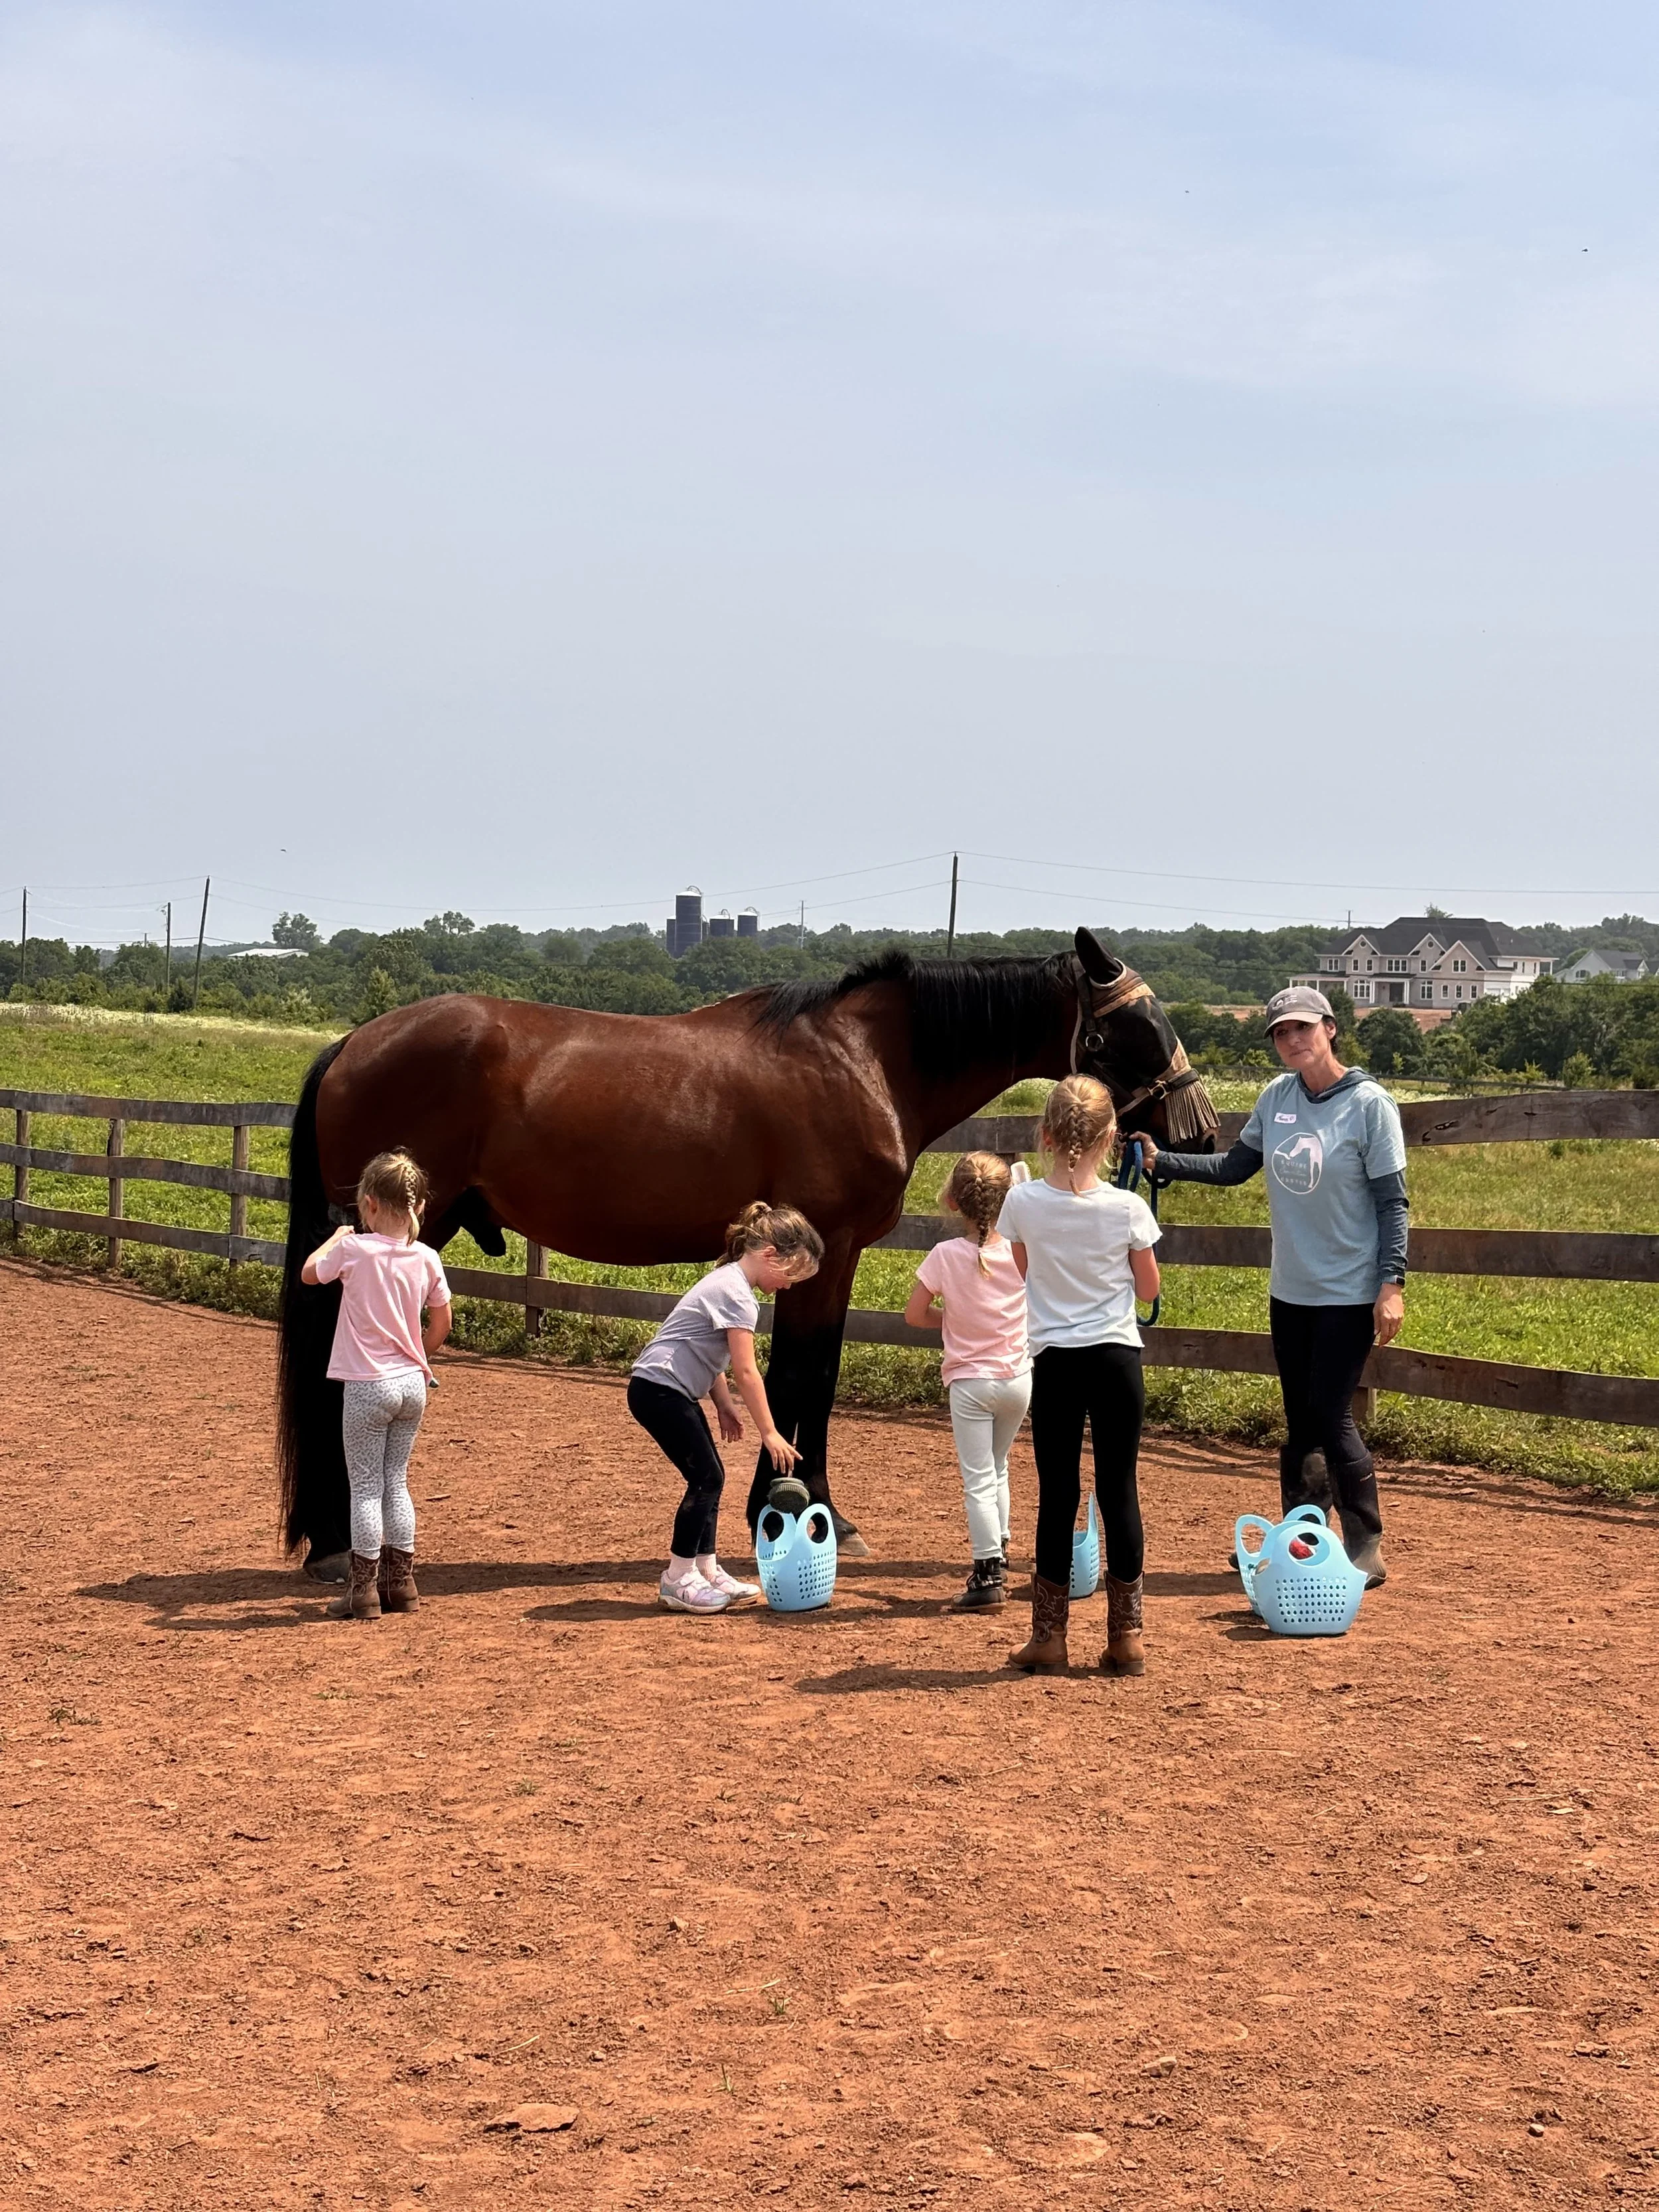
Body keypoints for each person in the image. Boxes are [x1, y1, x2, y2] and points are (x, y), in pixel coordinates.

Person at [1135, 984, 1406, 1587]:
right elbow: (1236, 1168)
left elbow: (1393, 1203)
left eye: (1302, 1028)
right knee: (1299, 1419)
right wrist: (1164, 1162)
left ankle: (1366, 1540)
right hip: (1292, 1290)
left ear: (1330, 1028)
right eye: (1282, 1032)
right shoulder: (1277, 1097)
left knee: (1331, 1416)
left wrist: (1392, 1283)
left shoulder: (1369, 1105)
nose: (1292, 1040)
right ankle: (1302, 1539)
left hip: (1348, 1291)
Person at [995, 1076, 1161, 1676]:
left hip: (1057, 1360)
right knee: (1119, 1489)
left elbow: (1023, 1271)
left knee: (1057, 1495)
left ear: (1045, 1135)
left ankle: (1049, 1635)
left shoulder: (1021, 1204)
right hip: (1116, 1358)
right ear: (1111, 1137)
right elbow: (1148, 1289)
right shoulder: (1129, 1208)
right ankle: (1127, 1637)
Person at [629, 1202, 825, 1615]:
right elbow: (747, 1370)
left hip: (666, 1388)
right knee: (707, 1478)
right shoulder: (738, 1295)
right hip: (659, 1390)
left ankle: (706, 1568)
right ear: (770, 1254)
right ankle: (678, 1578)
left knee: (710, 1476)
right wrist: (770, 1432)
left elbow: (706, 1352)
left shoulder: (729, 1282)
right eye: (792, 1276)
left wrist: (723, 1403)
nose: (789, 1287)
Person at [301, 1149, 452, 1622]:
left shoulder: (353, 1250)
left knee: (364, 1487)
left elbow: (310, 1273)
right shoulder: (426, 1257)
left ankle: (362, 1591)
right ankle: (401, 1583)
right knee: (396, 1481)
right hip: (413, 1384)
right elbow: (442, 1321)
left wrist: (334, 1239)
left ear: (368, 1204)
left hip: (368, 1385)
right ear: (419, 1207)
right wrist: (418, 1354)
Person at [902, 1151, 1032, 1613]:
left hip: (971, 1383)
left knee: (978, 1476)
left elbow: (914, 1314)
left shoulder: (945, 1255)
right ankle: (999, 1545)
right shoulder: (1020, 1251)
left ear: (954, 1202)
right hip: (1017, 1379)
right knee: (997, 1466)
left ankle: (987, 1572)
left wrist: (952, 1318)